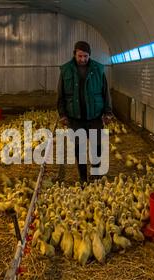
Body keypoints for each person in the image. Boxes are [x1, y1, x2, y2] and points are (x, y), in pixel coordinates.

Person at [57, 41, 114, 184]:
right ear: (74, 54)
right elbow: (61, 94)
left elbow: (105, 92)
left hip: (95, 116)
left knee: (97, 147)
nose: (83, 59)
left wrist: (107, 112)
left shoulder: (98, 69)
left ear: (90, 55)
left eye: (86, 56)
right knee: (79, 148)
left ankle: (96, 173)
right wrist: (62, 114)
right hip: (75, 118)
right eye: (80, 56)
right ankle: (83, 177)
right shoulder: (66, 70)